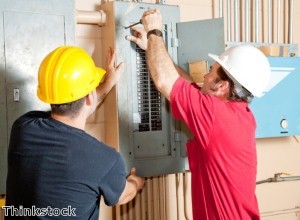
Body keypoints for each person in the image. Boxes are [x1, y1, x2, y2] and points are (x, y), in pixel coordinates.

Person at [126, 9, 271, 220]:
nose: (205, 74)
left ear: (222, 85)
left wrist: (154, 31)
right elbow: (186, 85)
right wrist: (152, 49)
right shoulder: (238, 114)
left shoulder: (215, 115)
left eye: (211, 70)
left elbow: (166, 82)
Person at [5, 46, 145, 219]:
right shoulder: (105, 159)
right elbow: (123, 195)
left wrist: (105, 84)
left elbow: (69, 112)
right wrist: (136, 182)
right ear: (89, 98)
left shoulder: (23, 128)